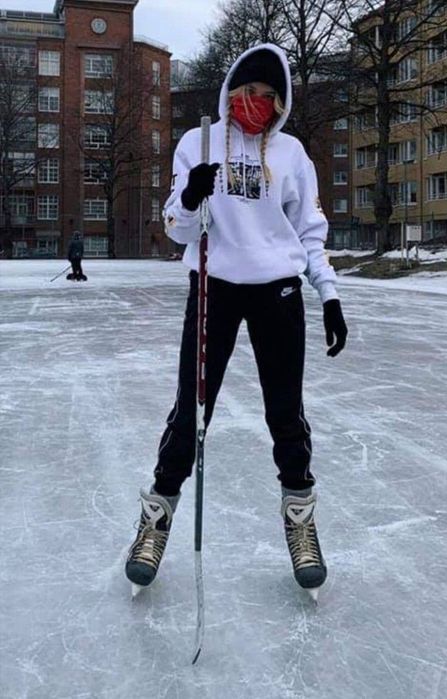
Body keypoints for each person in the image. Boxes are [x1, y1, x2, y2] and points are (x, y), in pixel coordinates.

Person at [126, 44, 348, 593]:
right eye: (249, 94)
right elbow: (178, 228)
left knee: (286, 415)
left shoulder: (293, 154)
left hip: (278, 292)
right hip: (214, 289)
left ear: (281, 102)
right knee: (190, 412)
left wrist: (330, 294)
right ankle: (155, 522)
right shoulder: (196, 142)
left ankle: (300, 522)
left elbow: (310, 233)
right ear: (231, 94)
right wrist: (193, 196)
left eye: (269, 97)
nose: (258, 104)